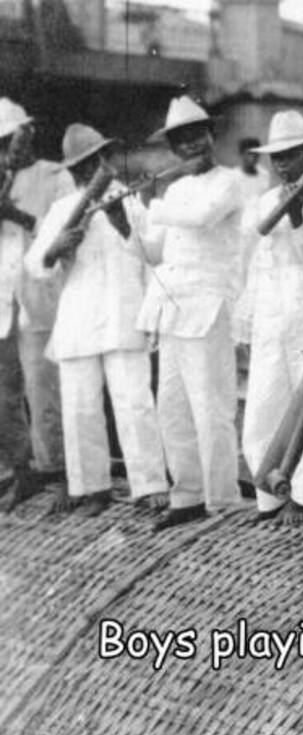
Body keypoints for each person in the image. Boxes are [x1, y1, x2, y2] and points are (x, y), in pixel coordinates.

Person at [22, 124, 168, 517]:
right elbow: (35, 264)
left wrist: (122, 222)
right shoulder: (60, 210)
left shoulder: (129, 200)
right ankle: (92, 488)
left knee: (134, 403)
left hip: (123, 315)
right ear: (73, 172)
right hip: (79, 320)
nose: (90, 172)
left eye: (94, 162)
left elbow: (153, 254)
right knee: (80, 407)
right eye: (81, 167)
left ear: (104, 160)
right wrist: (55, 249)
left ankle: (150, 486)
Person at [136, 95, 244, 531]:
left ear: (211, 136)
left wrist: (152, 204)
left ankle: (222, 500)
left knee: (211, 406)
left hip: (209, 305)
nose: (191, 145)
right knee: (172, 408)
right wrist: (134, 218)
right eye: (182, 140)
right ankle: (187, 496)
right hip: (172, 309)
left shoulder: (229, 182)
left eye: (197, 135)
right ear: (174, 148)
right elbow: (156, 250)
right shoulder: (174, 189)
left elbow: (200, 219)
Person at [240, 111, 303, 525]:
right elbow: (256, 264)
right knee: (262, 409)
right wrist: (247, 320)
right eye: (276, 157)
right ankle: (269, 498)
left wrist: (297, 215)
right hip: (269, 315)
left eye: (291, 156)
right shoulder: (263, 202)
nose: (282, 165)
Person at [0, 98, 73, 512]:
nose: (9, 148)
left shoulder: (54, 176)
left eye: (11, 138)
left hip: (37, 297)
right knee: (3, 394)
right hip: (2, 298)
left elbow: (63, 229)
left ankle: (56, 469)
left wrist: (18, 214)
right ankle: (19, 465)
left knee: (42, 386)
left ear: (25, 135)